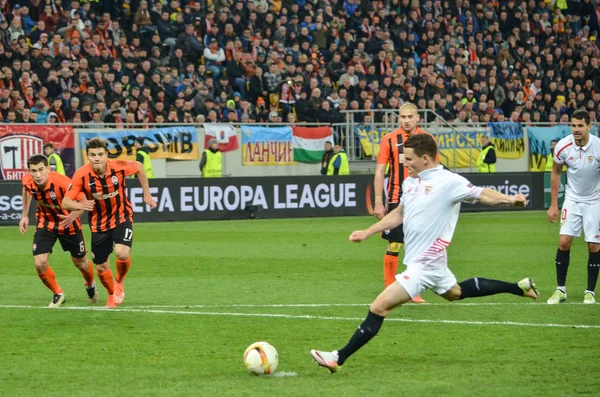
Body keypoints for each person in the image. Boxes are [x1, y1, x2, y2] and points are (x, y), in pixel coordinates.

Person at [310, 133, 538, 373]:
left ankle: (338, 357)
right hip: (430, 263)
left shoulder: (448, 181)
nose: (405, 163)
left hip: (426, 264)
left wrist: (511, 200)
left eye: (409, 159)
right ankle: (519, 288)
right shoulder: (410, 182)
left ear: (426, 158)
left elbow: (482, 194)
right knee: (454, 293)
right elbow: (399, 213)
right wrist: (368, 231)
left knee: (379, 307)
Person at [62, 138, 157, 308]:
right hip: (99, 223)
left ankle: (119, 281)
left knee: (122, 252)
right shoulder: (81, 175)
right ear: (87, 156)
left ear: (106, 154)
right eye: (93, 155)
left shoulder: (119, 166)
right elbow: (65, 202)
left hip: (122, 216)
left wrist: (146, 194)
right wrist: (80, 205)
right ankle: (111, 293)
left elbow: (140, 168)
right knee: (101, 267)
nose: (97, 158)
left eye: (100, 154)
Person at [20, 154, 97, 308]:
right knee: (39, 262)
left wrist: (72, 217)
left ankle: (90, 284)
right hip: (46, 223)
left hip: (68, 224)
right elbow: (26, 189)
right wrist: (24, 215)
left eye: (41, 169)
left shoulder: (63, 183)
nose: (38, 174)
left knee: (80, 262)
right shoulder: (28, 181)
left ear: (48, 168)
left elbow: (84, 201)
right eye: (33, 171)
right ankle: (58, 293)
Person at [373, 102, 432, 301]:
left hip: (423, 198)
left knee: (419, 245)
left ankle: (413, 290)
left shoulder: (428, 140)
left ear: (418, 118)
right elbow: (380, 171)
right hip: (397, 198)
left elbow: (435, 169)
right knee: (395, 243)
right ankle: (390, 288)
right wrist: (378, 201)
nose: (406, 121)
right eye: (402, 117)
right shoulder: (389, 140)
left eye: (409, 117)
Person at [546, 110, 600, 305]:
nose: (576, 129)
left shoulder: (598, 147)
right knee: (564, 242)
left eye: (580, 126)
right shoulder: (563, 147)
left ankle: (590, 292)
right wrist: (554, 205)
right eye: (573, 125)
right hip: (572, 199)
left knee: (593, 245)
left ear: (589, 126)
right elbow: (555, 172)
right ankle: (560, 290)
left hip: (595, 201)